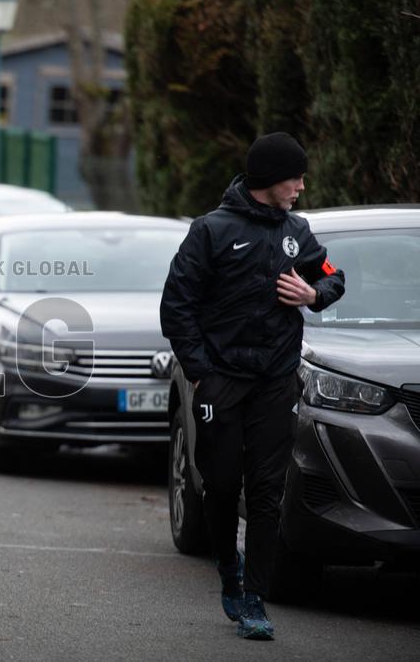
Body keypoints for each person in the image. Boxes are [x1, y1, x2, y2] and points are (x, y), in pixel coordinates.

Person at [160, 132, 345, 640]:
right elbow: (176, 305)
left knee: (267, 489)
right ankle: (228, 565)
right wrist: (200, 371)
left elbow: (333, 275)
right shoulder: (211, 231)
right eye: (295, 177)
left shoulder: (298, 233)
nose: (302, 187)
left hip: (275, 380)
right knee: (220, 483)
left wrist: (315, 292)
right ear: (269, 179)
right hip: (221, 380)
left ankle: (254, 599)